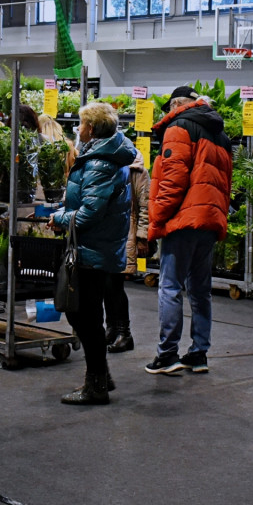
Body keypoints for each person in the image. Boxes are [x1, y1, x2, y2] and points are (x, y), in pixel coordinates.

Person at [50, 102, 135, 404]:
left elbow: (89, 213)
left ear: (93, 129)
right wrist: (63, 210)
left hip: (93, 250)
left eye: (82, 123)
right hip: (96, 248)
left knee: (83, 316)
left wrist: (59, 219)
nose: (78, 128)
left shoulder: (100, 163)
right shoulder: (102, 157)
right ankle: (101, 376)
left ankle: (96, 384)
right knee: (83, 315)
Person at [145, 86, 233, 374]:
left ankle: (167, 354)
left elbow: (172, 180)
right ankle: (198, 353)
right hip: (210, 219)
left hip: (182, 219)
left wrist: (157, 217)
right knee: (200, 290)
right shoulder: (221, 134)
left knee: (170, 287)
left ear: (178, 104)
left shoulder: (178, 127)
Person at [104, 150, 150, 353]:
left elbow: (145, 205)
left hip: (125, 232)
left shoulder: (137, 170)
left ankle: (125, 333)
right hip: (106, 232)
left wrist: (142, 236)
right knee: (107, 283)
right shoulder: (104, 164)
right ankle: (112, 328)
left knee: (115, 284)